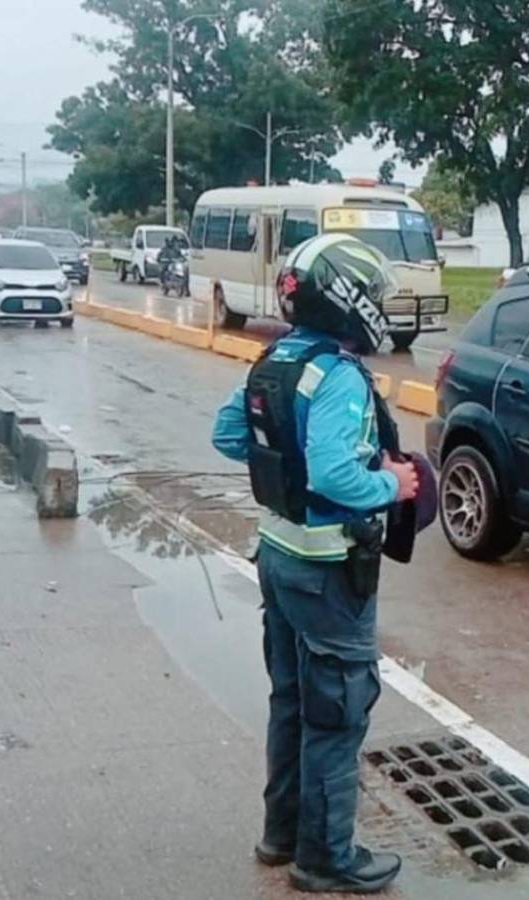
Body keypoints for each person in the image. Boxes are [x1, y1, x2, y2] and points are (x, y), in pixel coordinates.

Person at [211, 233, 419, 894]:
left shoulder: (277, 357)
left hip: (277, 555)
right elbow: (334, 475)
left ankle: (282, 834)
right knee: (337, 713)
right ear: (346, 296)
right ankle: (325, 858)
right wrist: (393, 485)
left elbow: (228, 435)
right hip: (328, 568)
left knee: (292, 701)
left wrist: (289, 461)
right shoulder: (338, 374)